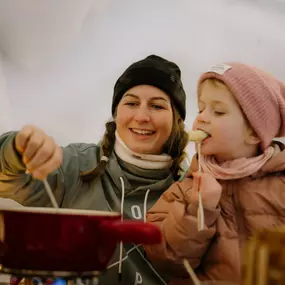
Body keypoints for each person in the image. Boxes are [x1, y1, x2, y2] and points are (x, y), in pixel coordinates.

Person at [0, 55, 189, 285]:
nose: (141, 117)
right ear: (116, 113)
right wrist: (17, 149)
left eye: (157, 106)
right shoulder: (76, 166)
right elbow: (7, 179)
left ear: (176, 120)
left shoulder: (192, 190)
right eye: (131, 103)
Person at [145, 62, 285, 284]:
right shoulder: (186, 189)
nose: (202, 118)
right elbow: (166, 258)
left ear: (255, 134)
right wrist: (198, 210)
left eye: (218, 111)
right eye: (201, 108)